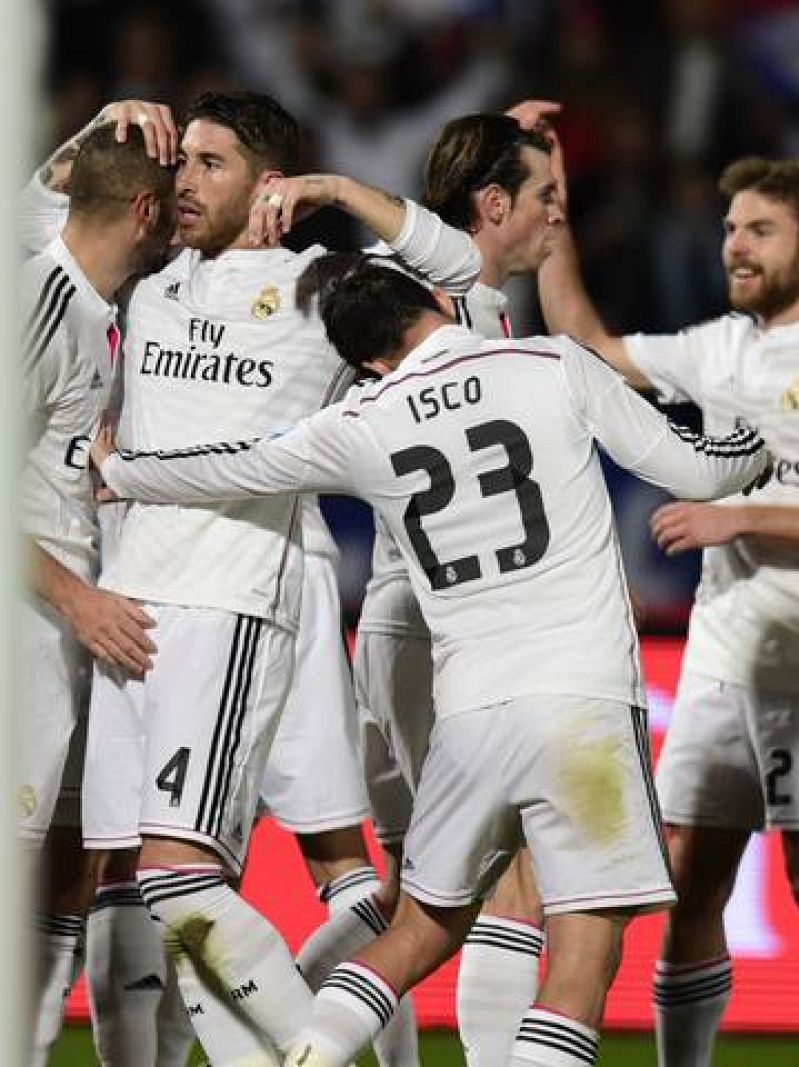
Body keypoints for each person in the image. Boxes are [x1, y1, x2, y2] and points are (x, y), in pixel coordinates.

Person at [91, 254, 772, 1067]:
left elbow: (236, 463)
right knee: (583, 957)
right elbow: (699, 469)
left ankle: (303, 1057)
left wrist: (120, 469)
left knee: (416, 931)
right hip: (581, 702)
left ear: (369, 361)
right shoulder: (550, 363)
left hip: (468, 716)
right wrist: (760, 444)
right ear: (437, 305)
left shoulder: (364, 419)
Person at [39, 90, 483, 1066]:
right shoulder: (151, 279)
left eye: (212, 164)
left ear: (269, 184)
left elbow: (459, 271)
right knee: (137, 882)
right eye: (181, 162)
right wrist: (98, 132)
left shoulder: (320, 286)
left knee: (181, 875)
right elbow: (35, 230)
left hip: (230, 597)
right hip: (127, 604)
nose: (185, 181)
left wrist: (334, 191)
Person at [538, 154, 799, 1067]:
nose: (735, 247)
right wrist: (551, 212)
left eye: (760, 231)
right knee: (690, 881)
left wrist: (739, 512)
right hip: (719, 659)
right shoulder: (716, 347)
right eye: (730, 229)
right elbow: (583, 345)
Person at [310, 106, 564, 1067]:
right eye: (544, 196)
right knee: (506, 877)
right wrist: (341, 188)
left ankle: (271, 1022)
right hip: (433, 629)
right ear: (490, 206)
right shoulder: (423, 299)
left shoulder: (478, 304)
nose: (557, 214)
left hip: (397, 626)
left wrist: (512, 137)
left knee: (414, 897)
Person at [18, 115, 175, 1067]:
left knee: (68, 864)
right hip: (29, 622)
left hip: (72, 624)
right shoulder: (41, 298)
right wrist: (78, 602)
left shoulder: (98, 308)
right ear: (144, 209)